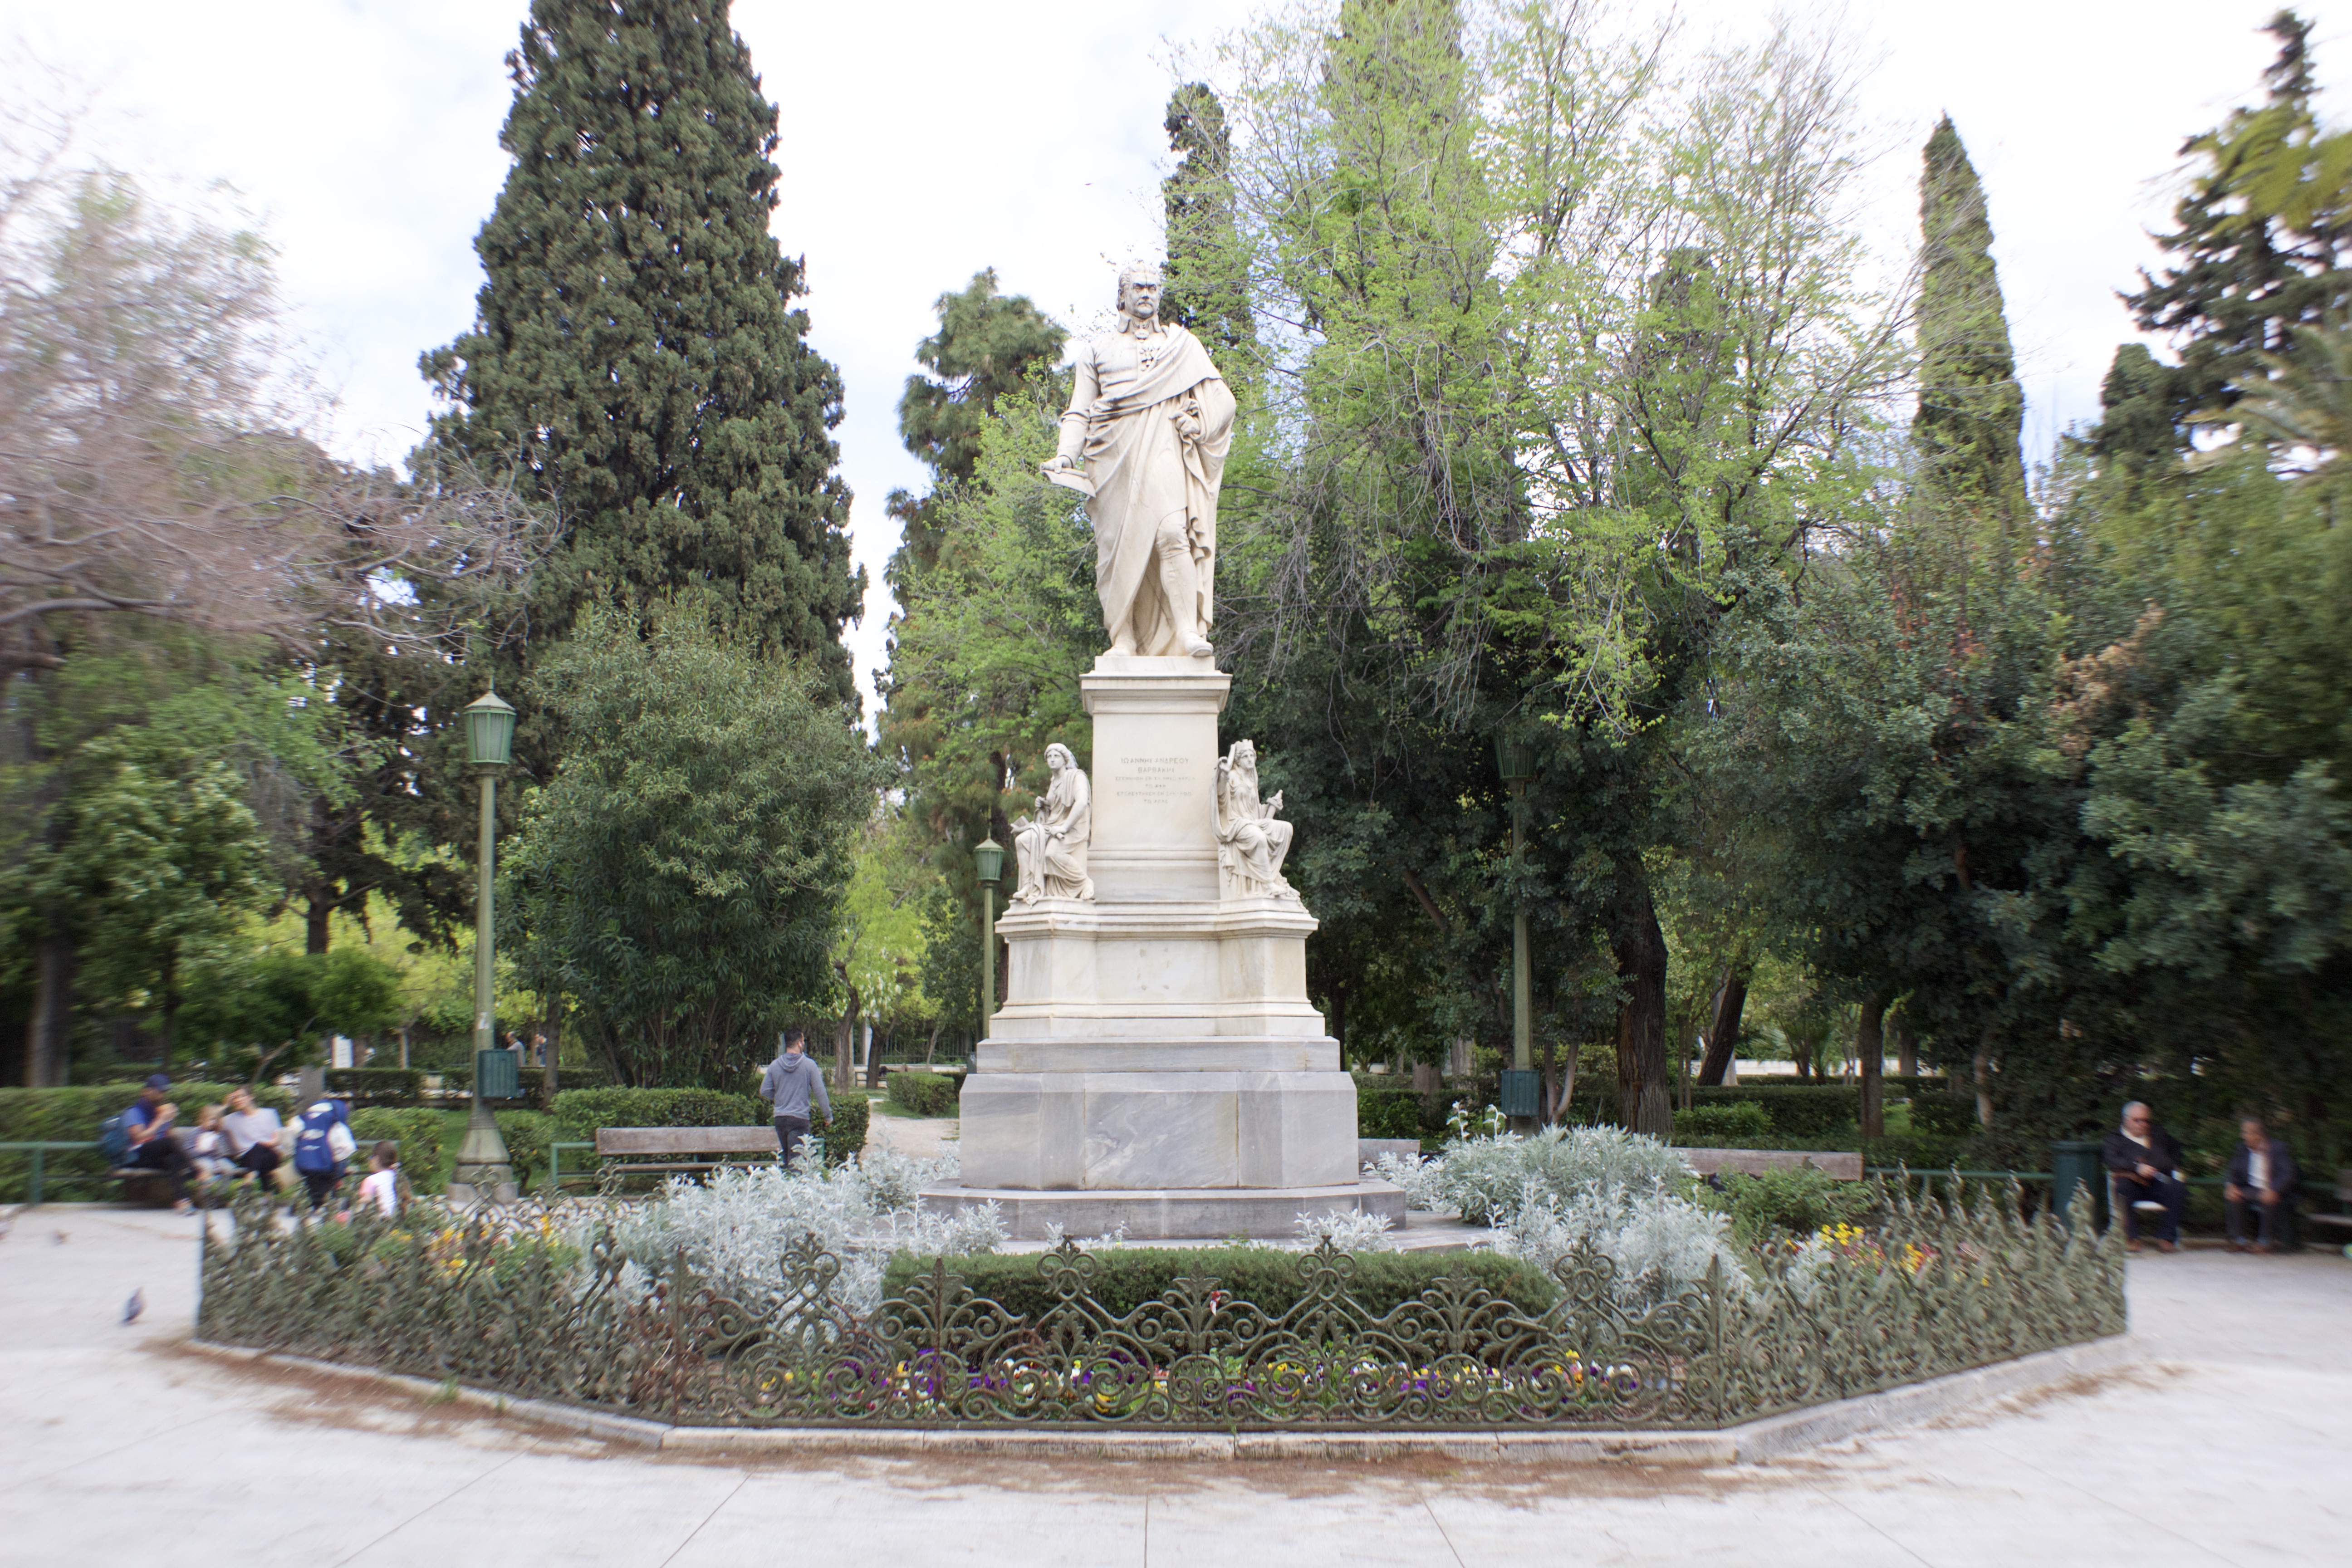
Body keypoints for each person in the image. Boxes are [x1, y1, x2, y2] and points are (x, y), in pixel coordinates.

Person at [1040, 260, 1237, 658]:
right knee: (1117, 550)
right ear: (1122, 296)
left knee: (1172, 533)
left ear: (1160, 294)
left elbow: (1223, 399)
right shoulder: (1097, 351)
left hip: (1163, 446)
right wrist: (1065, 454)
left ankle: (1186, 632)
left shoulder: (1181, 347)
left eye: (1152, 287)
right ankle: (1124, 639)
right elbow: (1078, 411)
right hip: (1110, 459)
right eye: (1138, 288)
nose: (1146, 294)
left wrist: (1200, 424)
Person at [2103, 1101, 2188, 1253]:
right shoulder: (2114, 1139)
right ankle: (2131, 1238)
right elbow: (2112, 1161)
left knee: (2177, 1187)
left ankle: (2167, 1238)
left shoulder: (2157, 1134)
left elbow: (2176, 1151)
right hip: (2131, 1183)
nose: (2143, 1124)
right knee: (2122, 1188)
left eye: (2146, 1120)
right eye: (2138, 1120)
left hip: (2157, 1181)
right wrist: (2137, 1167)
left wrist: (2172, 1167)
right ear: (2126, 1120)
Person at [2224, 1117, 2301, 1253]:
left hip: (2273, 1189)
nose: (2243, 1136)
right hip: (2251, 1188)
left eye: (2246, 1133)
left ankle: (2265, 1242)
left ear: (2259, 1135)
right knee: (2233, 1196)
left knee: (2268, 1198)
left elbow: (2288, 1174)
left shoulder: (2278, 1148)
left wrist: (2274, 1190)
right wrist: (2231, 1185)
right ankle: (2238, 1241)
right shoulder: (2242, 1149)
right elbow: (2233, 1170)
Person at [757, 1028, 831, 1170]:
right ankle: (796, 1190)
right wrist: (828, 1116)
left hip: (780, 1118)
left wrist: (779, 1098)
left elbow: (765, 1091)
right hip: (799, 1119)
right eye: (803, 1041)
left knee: (786, 1159)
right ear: (800, 1043)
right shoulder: (809, 1065)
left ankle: (785, 1189)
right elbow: (820, 1092)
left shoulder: (774, 1065)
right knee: (797, 1163)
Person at [121, 1074, 196, 1213]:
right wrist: (160, 1121)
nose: (163, 1096)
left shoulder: (159, 1111)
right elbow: (138, 1138)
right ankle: (197, 1170)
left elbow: (169, 1138)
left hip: (155, 1156)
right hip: (137, 1156)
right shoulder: (134, 1112)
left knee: (174, 1159)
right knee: (170, 1143)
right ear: (147, 1091)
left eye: (165, 1092)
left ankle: (183, 1202)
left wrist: (170, 1120)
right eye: (160, 1092)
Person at [289, 1095, 353, 1211]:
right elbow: (344, 1146)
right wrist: (344, 1166)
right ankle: (325, 1205)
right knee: (330, 1181)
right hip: (327, 1164)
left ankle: (316, 1206)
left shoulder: (311, 1112)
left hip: (307, 1161)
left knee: (314, 1186)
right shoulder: (336, 1119)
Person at [220, 1086, 286, 1191]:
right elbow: (215, 1124)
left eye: (242, 1096)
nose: (238, 1100)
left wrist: (261, 1145)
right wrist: (225, 1106)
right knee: (261, 1156)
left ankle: (250, 1179)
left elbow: (277, 1140)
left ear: (251, 1097)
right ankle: (268, 1194)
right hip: (247, 1159)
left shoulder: (269, 1113)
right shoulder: (231, 1119)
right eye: (235, 1098)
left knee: (259, 1149)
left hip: (272, 1155)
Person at [183, 1104, 237, 1188]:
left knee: (229, 1168)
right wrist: (200, 1149)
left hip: (216, 1159)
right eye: (210, 1120)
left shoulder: (218, 1133)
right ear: (203, 1119)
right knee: (208, 1166)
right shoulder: (195, 1133)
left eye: (215, 1120)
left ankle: (221, 1192)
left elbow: (222, 1153)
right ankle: (205, 1191)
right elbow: (187, 1152)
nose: (212, 1123)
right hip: (200, 1158)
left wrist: (216, 1146)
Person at [356, 1141, 404, 1218]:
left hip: (380, 1220)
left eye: (371, 1157)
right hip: (396, 1217)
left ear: (376, 1159)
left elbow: (366, 1202)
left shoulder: (371, 1180)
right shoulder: (394, 1175)